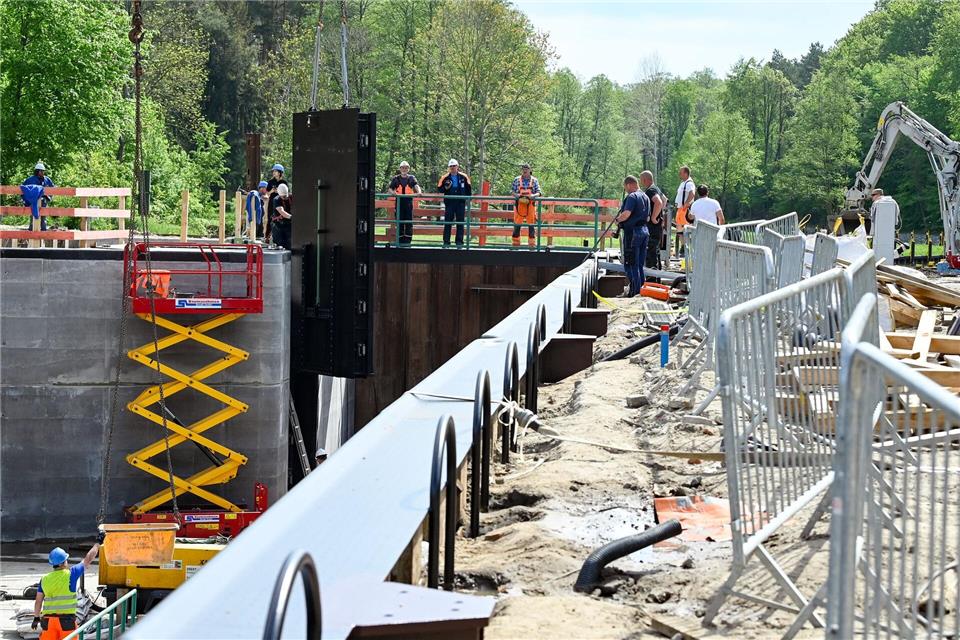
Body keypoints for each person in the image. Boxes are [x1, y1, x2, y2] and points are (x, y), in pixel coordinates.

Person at [33, 535, 103, 640]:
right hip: (66, 622)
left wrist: (36, 617)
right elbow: (88, 559)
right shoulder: (71, 574)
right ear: (63, 563)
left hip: (48, 622)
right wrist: (98, 544)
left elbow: (38, 601)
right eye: (66, 559)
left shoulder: (44, 579)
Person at [616, 175, 651, 297]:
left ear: (629, 185)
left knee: (631, 264)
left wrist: (618, 220)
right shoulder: (645, 197)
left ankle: (634, 292)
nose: (626, 190)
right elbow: (647, 217)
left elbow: (626, 214)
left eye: (625, 187)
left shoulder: (632, 197)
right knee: (640, 264)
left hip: (633, 233)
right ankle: (641, 289)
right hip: (644, 231)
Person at [436, 159, 471, 247]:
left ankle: (459, 242)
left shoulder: (464, 176)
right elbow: (439, 189)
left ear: (457, 166)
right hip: (449, 202)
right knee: (448, 222)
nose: (452, 168)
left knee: (460, 222)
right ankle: (446, 241)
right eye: (451, 166)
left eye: (454, 166)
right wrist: (446, 188)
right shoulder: (445, 177)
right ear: (449, 167)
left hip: (460, 202)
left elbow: (469, 188)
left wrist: (467, 199)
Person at [388, 161, 422, 245]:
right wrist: (393, 193)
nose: (404, 169)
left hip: (408, 202)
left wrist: (419, 192)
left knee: (408, 222)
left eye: (406, 167)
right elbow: (390, 189)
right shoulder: (396, 178)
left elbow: (416, 186)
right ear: (400, 169)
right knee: (399, 221)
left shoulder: (411, 178)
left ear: (408, 169)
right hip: (399, 202)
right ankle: (400, 241)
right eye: (402, 167)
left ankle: (407, 242)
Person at [639, 170, 667, 271]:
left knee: (651, 251)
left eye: (641, 180)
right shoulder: (657, 188)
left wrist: (654, 217)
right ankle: (657, 278)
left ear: (645, 179)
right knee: (655, 251)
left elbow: (659, 202)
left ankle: (652, 278)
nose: (641, 182)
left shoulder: (650, 190)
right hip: (657, 225)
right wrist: (660, 214)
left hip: (652, 226)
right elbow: (665, 200)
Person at [510, 163, 542, 247]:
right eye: (523, 168)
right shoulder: (516, 179)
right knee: (517, 224)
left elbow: (539, 192)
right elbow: (512, 191)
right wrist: (517, 196)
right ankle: (515, 244)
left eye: (526, 168)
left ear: (530, 170)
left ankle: (532, 245)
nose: (524, 170)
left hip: (530, 205)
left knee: (531, 225)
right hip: (519, 205)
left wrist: (533, 196)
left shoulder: (534, 180)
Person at [21, 162, 55, 231]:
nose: (43, 172)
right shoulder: (30, 179)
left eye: (43, 171)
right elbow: (22, 189)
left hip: (44, 201)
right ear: (37, 171)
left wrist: (50, 197)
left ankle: (43, 232)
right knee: (33, 216)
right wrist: (26, 200)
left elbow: (53, 188)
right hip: (34, 201)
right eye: (41, 171)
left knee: (43, 218)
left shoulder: (47, 179)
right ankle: (31, 232)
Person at [265, 163, 288, 242]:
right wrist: (272, 191)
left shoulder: (284, 182)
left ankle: (281, 237)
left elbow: (286, 194)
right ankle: (267, 237)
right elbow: (267, 193)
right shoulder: (271, 182)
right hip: (272, 202)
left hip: (281, 203)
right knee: (270, 219)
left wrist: (279, 191)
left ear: (280, 172)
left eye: (275, 171)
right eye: (273, 171)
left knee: (281, 219)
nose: (273, 173)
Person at [270, 183, 293, 250]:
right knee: (279, 244)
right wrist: (292, 217)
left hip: (289, 224)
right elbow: (281, 211)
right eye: (282, 196)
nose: (284, 198)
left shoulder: (292, 197)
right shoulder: (276, 200)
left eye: (285, 196)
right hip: (278, 225)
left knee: (290, 243)